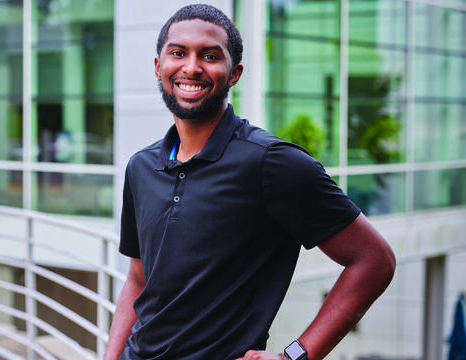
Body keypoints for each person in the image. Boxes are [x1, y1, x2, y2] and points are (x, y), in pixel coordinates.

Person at [105, 4, 396, 360]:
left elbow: (374, 260)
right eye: (178, 53)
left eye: (210, 56)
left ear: (234, 73)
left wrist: (295, 356)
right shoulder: (141, 167)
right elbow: (138, 279)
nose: (192, 67)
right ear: (158, 66)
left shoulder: (272, 163)